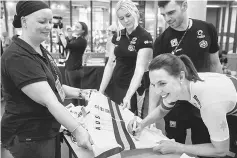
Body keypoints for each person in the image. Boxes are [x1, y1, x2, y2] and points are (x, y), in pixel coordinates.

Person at [1, 1, 93, 158]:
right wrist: (77, 129)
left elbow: (53, 86)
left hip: (46, 131)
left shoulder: (39, 49)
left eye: (51, 22)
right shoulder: (18, 56)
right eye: (42, 22)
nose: (49, 27)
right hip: (28, 137)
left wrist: (81, 93)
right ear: (24, 22)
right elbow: (49, 100)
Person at [128, 53, 237, 157]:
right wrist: (142, 124)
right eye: (153, 85)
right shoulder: (180, 85)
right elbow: (162, 109)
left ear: (181, 77)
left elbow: (221, 150)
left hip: (220, 103)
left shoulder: (210, 104)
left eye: (162, 83)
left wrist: (178, 147)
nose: (157, 91)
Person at [150, 0, 223, 151]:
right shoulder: (162, 41)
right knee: (173, 147)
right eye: (163, 15)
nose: (167, 19)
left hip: (203, 102)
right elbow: (155, 81)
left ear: (184, 6)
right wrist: (151, 116)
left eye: (171, 13)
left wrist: (220, 95)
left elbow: (215, 64)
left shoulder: (207, 29)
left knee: (204, 145)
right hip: (175, 104)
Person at [99, 0, 153, 114]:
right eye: (121, 18)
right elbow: (110, 64)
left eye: (128, 15)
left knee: (132, 121)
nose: (126, 20)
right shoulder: (118, 35)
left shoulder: (144, 37)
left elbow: (140, 69)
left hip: (134, 88)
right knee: (115, 119)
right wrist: (101, 91)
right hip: (117, 85)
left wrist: (128, 96)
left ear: (136, 13)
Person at [59, 21, 88, 106]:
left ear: (83, 30)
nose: (75, 28)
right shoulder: (75, 39)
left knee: (77, 93)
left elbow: (67, 45)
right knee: (72, 94)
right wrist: (62, 32)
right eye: (75, 26)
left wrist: (61, 34)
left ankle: (81, 110)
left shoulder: (82, 41)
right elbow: (63, 43)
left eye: (77, 27)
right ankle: (76, 110)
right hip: (69, 68)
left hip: (75, 70)